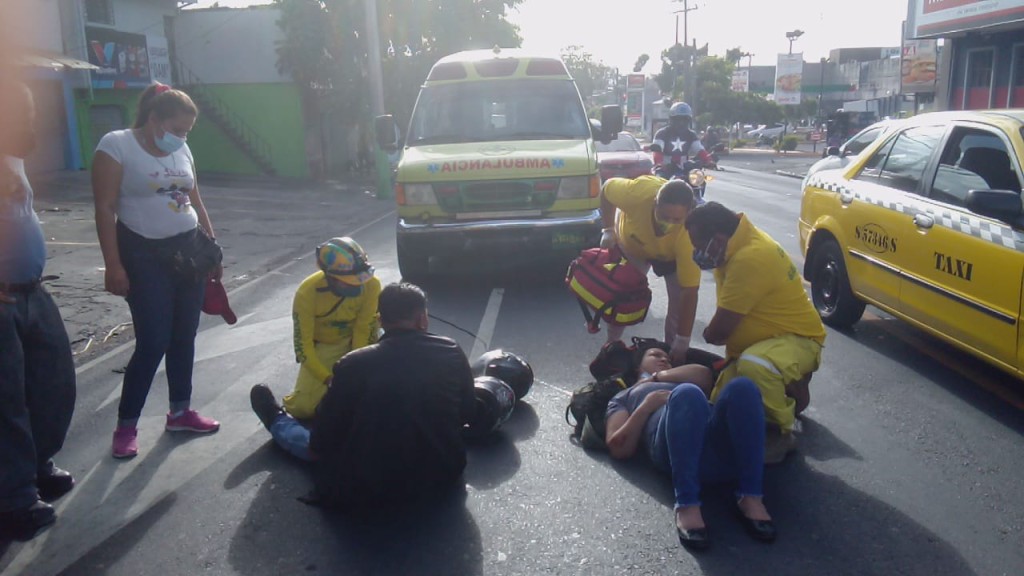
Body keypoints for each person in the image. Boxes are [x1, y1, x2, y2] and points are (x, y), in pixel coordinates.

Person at [249, 282, 476, 510]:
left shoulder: (354, 363)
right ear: (422, 319)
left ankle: (276, 418)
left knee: (310, 443)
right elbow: (467, 412)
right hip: (442, 472)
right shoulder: (451, 350)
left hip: (369, 483)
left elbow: (324, 435)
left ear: (380, 321)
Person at [92, 83, 221, 459]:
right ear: (154, 119)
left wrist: (212, 249)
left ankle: (180, 412)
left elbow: (196, 199)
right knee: (153, 341)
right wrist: (113, 264)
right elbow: (104, 208)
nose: (181, 138)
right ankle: (126, 426)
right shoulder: (116, 145)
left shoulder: (181, 147)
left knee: (185, 334)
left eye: (187, 132)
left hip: (189, 251)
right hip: (143, 254)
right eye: (177, 129)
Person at [0, 79, 77, 542]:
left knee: (52, 383)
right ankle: (13, 498)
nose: (31, 118)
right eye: (20, 110)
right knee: (7, 403)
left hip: (31, 290)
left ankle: (37, 464)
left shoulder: (13, 159)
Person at [684, 201, 826, 451]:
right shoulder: (733, 246)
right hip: (761, 343)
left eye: (698, 246)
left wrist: (708, 334)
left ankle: (779, 433)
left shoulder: (750, 258)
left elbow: (719, 333)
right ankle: (791, 389)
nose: (697, 253)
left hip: (798, 339)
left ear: (717, 239)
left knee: (756, 367)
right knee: (722, 407)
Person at [605, 343, 775, 550]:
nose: (663, 359)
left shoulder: (680, 379)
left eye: (667, 358)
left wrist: (658, 377)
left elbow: (703, 374)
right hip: (673, 452)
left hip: (717, 450)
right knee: (687, 393)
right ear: (636, 368)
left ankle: (751, 496)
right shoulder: (624, 396)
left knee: (743, 387)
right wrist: (647, 405)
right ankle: (687, 504)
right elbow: (618, 447)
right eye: (655, 355)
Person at [599, 175, 700, 363]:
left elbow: (690, 291)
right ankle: (611, 344)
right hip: (633, 245)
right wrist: (608, 229)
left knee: (678, 304)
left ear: (689, 213)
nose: (668, 222)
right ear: (655, 203)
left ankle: (671, 353)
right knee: (622, 296)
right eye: (663, 216)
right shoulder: (638, 194)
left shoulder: (690, 233)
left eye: (676, 218)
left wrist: (683, 339)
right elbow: (606, 189)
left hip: (671, 256)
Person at [282, 237, 381, 422]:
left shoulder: (372, 284)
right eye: (348, 281)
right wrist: (329, 379)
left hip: (359, 343)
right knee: (304, 409)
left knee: (370, 398)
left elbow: (364, 329)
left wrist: (356, 369)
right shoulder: (307, 292)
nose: (357, 284)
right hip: (325, 345)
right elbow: (303, 347)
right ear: (329, 276)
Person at [650, 102, 716, 175]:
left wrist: (709, 161)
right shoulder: (662, 133)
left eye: (685, 119)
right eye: (678, 119)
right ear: (671, 119)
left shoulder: (691, 135)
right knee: (658, 181)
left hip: (685, 170)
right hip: (665, 170)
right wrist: (659, 163)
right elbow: (657, 151)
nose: (681, 123)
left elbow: (699, 150)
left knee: (699, 183)